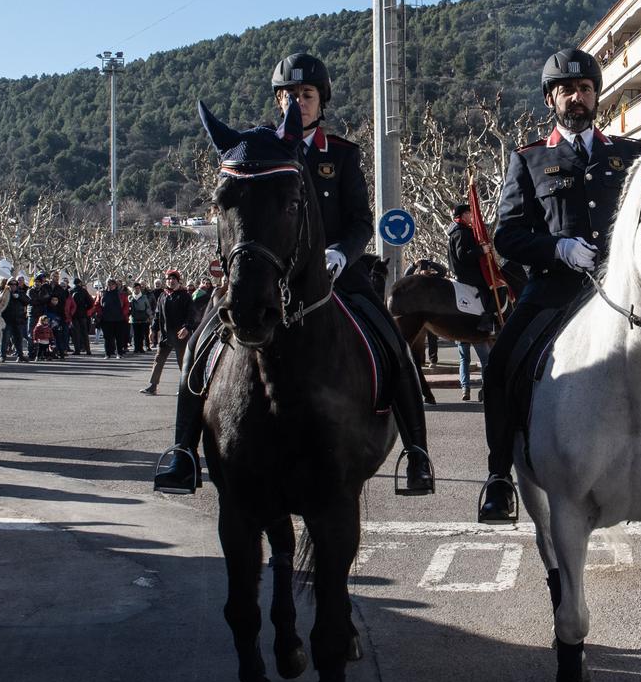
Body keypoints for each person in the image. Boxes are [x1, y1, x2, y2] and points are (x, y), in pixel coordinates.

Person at [475, 48, 641, 526]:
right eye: (567, 90)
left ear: (596, 96)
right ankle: (500, 475)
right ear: (550, 99)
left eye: (585, 89)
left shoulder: (631, 156)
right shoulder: (531, 159)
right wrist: (556, 248)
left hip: (630, 293)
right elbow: (507, 234)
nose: (577, 98)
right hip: (556, 291)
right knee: (504, 360)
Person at [152, 51, 435, 496]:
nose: (297, 102)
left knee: (392, 342)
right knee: (202, 341)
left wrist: (342, 253)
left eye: (306, 94)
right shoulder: (258, 149)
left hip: (336, 276)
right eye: (289, 95)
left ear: (321, 102)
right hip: (266, 275)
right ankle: (182, 451)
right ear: (278, 101)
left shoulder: (341, 155)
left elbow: (361, 220)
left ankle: (416, 452)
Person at [141, 269, 194, 393]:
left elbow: (191, 314)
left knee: (183, 363)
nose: (170, 281)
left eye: (173, 279)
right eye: (168, 279)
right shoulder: (163, 295)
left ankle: (185, 388)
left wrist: (187, 327)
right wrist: (153, 330)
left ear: (178, 280)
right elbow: (158, 314)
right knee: (158, 360)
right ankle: (153, 386)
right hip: (166, 335)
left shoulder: (185, 295)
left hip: (180, 335)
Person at [98, 279, 129, 358]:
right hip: (106, 319)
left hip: (119, 319)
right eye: (109, 284)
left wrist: (123, 314)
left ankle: (119, 353)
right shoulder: (102, 293)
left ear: (115, 285)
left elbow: (126, 305)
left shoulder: (121, 294)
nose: (110, 286)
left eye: (112, 284)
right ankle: (107, 354)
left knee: (119, 337)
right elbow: (97, 304)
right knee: (107, 338)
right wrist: (99, 313)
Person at [2, 277, 30, 362]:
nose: (13, 286)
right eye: (11, 284)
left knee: (18, 339)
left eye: (15, 284)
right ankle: (2, 355)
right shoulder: (3, 293)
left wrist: (19, 297)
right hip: (7, 319)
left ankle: (20, 355)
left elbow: (28, 301)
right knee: (5, 339)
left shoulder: (20, 292)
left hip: (18, 319)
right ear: (8, 285)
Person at [130, 281, 153, 353]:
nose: (137, 290)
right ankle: (136, 348)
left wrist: (150, 316)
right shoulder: (130, 297)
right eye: (135, 288)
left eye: (138, 288)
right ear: (133, 289)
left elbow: (148, 307)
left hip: (143, 318)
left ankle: (141, 348)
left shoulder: (144, 297)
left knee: (141, 334)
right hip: (134, 318)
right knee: (135, 334)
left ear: (140, 289)